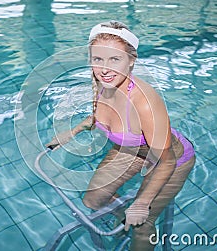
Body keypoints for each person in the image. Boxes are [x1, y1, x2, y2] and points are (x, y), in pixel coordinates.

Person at [47, 20, 195, 250]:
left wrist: (142, 204)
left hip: (171, 160)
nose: (105, 69)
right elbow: (96, 118)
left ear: (131, 61)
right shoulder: (102, 84)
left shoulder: (144, 102)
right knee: (92, 200)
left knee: (141, 224)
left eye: (115, 59)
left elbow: (167, 161)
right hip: (132, 151)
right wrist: (71, 132)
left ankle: (138, 221)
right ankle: (123, 213)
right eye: (98, 59)